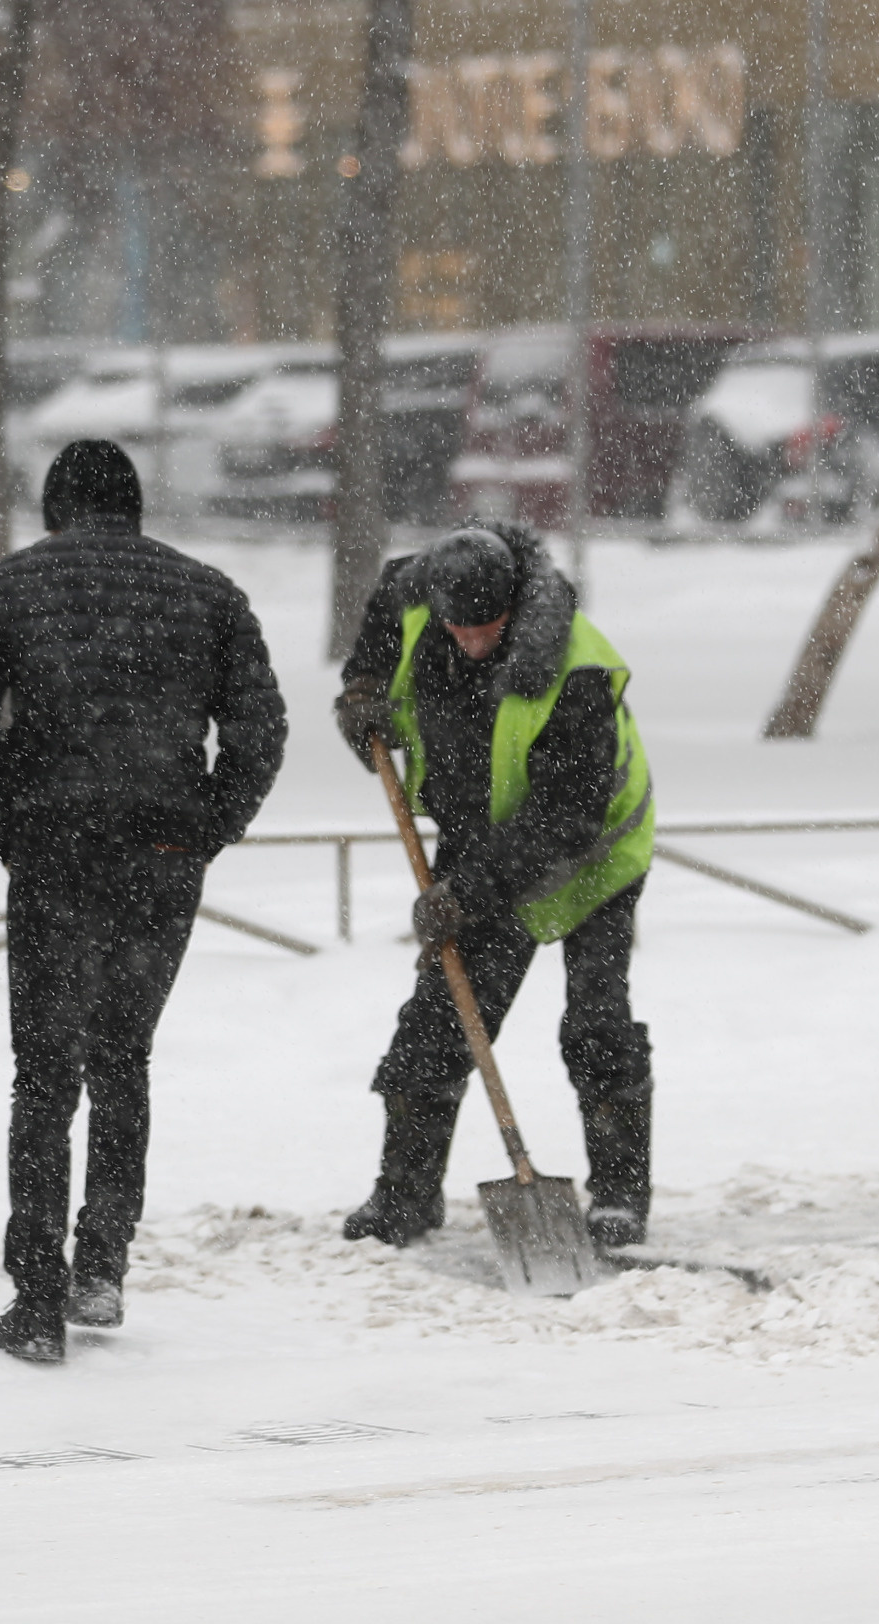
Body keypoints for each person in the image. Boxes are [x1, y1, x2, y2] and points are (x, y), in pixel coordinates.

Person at [0, 439, 286, 1363]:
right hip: (161, 855)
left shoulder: (1, 590)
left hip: (54, 851)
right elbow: (261, 729)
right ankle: (102, 1265)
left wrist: (1, 826)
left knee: (44, 1073)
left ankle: (36, 1293)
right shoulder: (210, 593)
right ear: (136, 508)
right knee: (122, 1058)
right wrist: (206, 824)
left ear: (54, 510)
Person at [331, 521, 657, 1251]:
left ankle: (620, 1195)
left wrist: (468, 894)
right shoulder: (412, 596)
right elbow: (379, 639)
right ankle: (404, 1196)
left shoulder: (576, 673)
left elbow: (565, 821)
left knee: (595, 1023)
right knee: (439, 1017)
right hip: (481, 837)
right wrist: (360, 693)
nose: (472, 642)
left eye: (490, 629)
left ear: (514, 606)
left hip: (596, 851)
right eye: (459, 629)